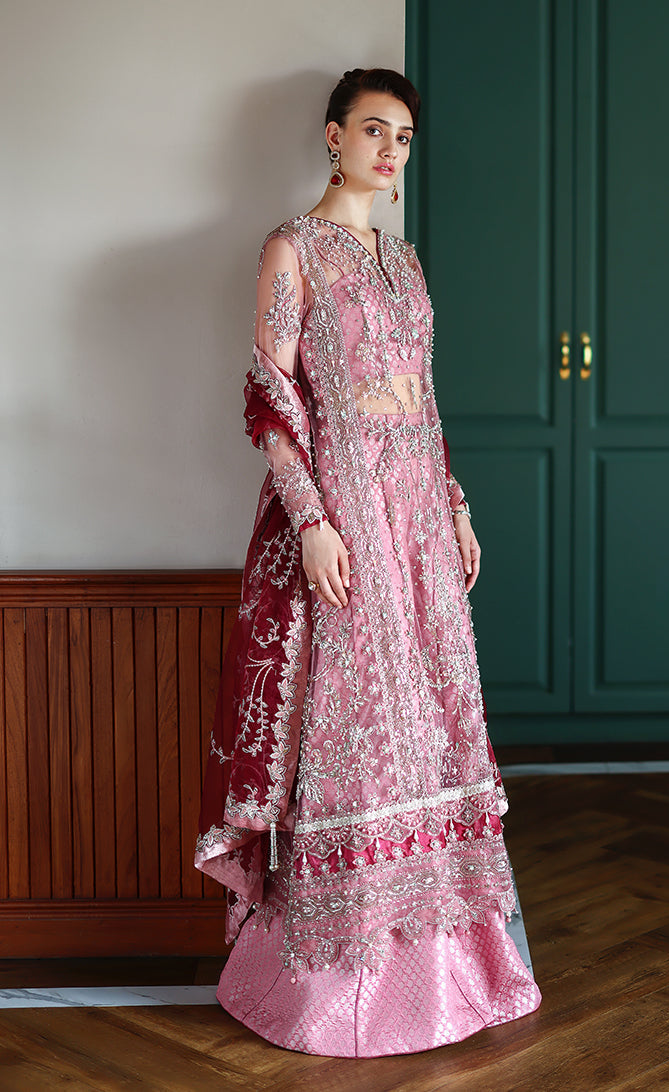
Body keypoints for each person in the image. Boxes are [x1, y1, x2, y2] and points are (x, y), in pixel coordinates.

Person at [195, 67, 541, 1058]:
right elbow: (272, 401)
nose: (392, 152)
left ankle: (456, 970)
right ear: (333, 136)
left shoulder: (406, 261)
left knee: (432, 724)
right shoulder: (291, 249)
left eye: (405, 139)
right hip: (344, 509)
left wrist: (456, 505)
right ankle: (338, 985)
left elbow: (424, 398)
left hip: (419, 516)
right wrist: (311, 521)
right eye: (375, 131)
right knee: (353, 731)